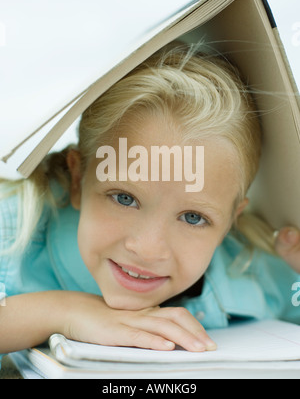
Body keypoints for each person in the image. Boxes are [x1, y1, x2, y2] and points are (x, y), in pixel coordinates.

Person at [0, 42, 299, 363]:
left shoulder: (248, 271)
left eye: (193, 217)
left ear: (229, 222)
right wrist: (61, 312)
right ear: (78, 179)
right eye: (124, 198)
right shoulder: (14, 228)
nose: (148, 248)